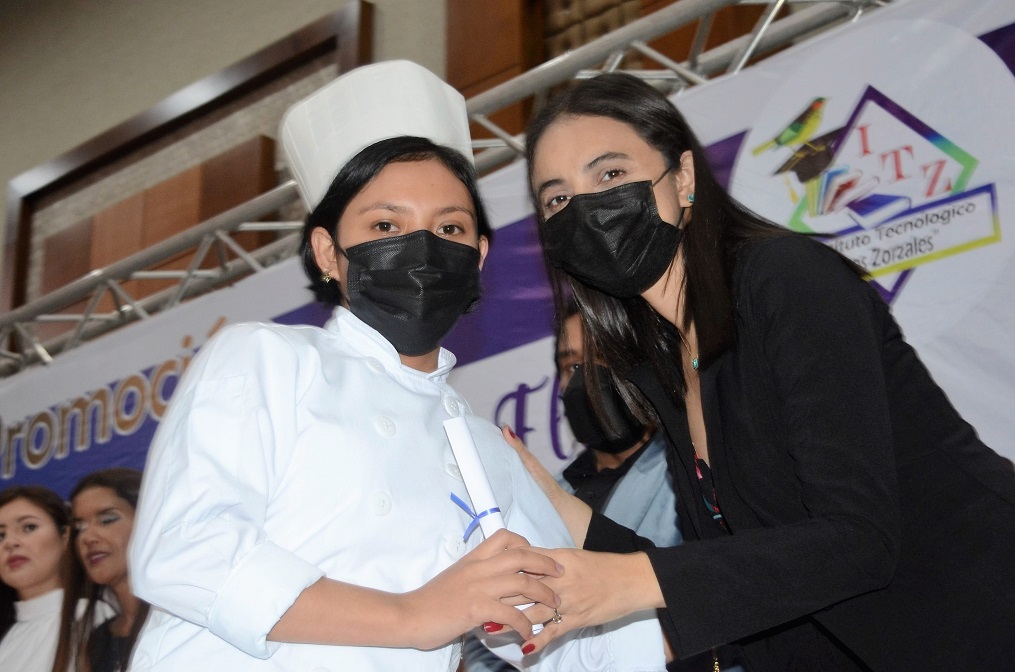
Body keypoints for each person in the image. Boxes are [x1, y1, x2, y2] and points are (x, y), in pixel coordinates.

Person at [127, 61, 665, 671]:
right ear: (328, 251)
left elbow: (564, 619)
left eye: (450, 227)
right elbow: (187, 548)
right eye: (386, 224)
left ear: (479, 257)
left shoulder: (484, 448)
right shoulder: (266, 358)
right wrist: (412, 616)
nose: (423, 246)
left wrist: (733, 610)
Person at [503, 72, 1015, 671]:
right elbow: (737, 566)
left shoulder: (785, 279)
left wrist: (635, 580)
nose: (587, 207)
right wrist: (561, 508)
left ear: (684, 178)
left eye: (610, 174)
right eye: (558, 197)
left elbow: (859, 541)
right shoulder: (661, 362)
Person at [60, 468, 149, 672]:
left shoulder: (186, 620)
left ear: (148, 519)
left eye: (107, 520)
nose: (87, 537)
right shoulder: (95, 641)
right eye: (79, 527)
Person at [0, 485, 75, 672]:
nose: (10, 542)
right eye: (1, 535)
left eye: (29, 527)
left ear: (65, 536)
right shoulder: (10, 633)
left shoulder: (92, 618)